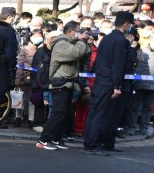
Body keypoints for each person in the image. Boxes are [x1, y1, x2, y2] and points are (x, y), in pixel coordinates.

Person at [36, 22, 92, 151]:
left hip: (69, 82)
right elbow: (75, 54)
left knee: (66, 114)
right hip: (60, 81)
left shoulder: (72, 43)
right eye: (78, 31)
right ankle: (43, 140)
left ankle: (56, 138)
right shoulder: (61, 43)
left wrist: (87, 43)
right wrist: (81, 41)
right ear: (71, 31)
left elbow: (84, 56)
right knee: (58, 113)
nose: (81, 33)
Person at [83, 12, 133, 155]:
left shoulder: (107, 38)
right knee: (102, 114)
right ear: (126, 24)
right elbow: (118, 64)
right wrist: (117, 86)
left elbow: (98, 61)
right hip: (110, 82)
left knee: (98, 113)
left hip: (101, 80)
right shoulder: (121, 40)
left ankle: (104, 142)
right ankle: (93, 145)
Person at [128, 27, 154, 138]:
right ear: (151, 39)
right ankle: (132, 127)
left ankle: (144, 127)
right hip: (139, 84)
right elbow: (135, 66)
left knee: (148, 108)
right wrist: (133, 80)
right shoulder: (142, 51)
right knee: (134, 107)